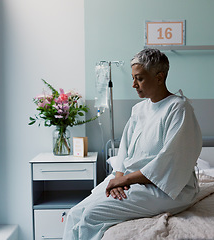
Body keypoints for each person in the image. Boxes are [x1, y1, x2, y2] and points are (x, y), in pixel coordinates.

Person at [62, 48, 202, 240]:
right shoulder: (138, 109)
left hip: (166, 188)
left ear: (159, 78)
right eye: (133, 78)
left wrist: (126, 180)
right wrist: (119, 178)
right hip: (131, 180)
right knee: (74, 213)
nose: (134, 84)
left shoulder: (178, 108)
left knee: (91, 215)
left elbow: (170, 160)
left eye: (140, 78)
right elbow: (125, 151)